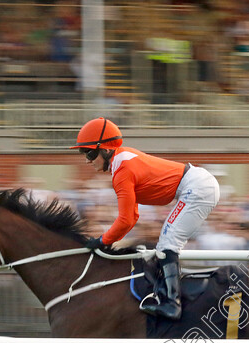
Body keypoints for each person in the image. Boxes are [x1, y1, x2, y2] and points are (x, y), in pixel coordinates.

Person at [71, 117, 220, 320]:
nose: (87, 160)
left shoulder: (121, 169)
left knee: (168, 243)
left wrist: (101, 241)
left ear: (105, 149)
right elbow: (131, 218)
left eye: (89, 153)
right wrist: (105, 240)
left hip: (197, 188)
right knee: (166, 243)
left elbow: (126, 220)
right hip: (197, 185)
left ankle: (172, 304)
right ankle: (168, 295)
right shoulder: (121, 161)